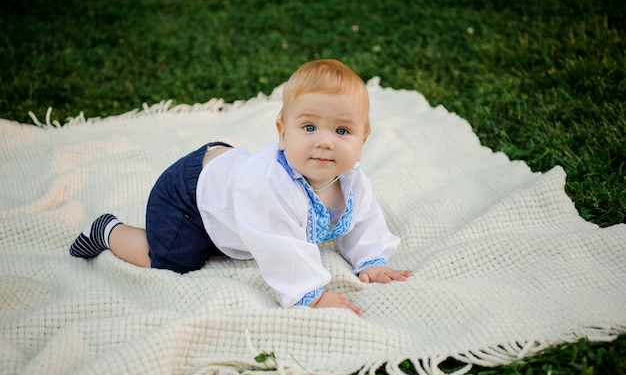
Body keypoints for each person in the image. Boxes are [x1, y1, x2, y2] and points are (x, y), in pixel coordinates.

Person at [70, 59, 411, 315]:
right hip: (189, 197)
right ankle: (108, 231)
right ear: (282, 133)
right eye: (309, 127)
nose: (324, 142)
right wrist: (313, 296)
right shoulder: (272, 188)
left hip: (229, 173)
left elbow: (363, 219)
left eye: (341, 131)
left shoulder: (351, 179)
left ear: (363, 140)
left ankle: (226, 178)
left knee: (242, 200)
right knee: (173, 258)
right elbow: (281, 249)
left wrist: (370, 260)